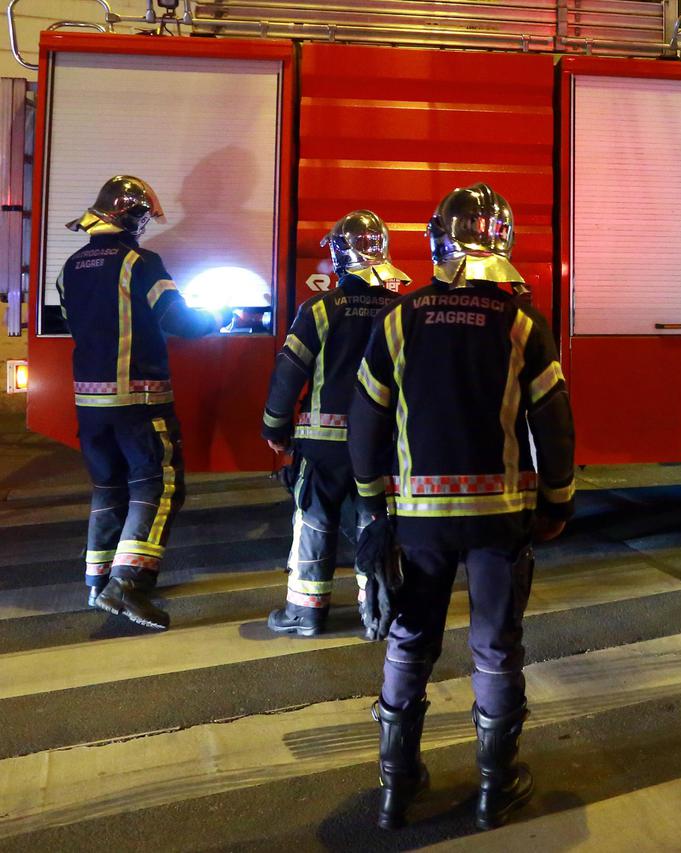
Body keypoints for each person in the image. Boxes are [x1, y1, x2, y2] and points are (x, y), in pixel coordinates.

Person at [348, 183, 575, 831]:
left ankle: (396, 787)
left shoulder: (402, 316)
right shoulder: (520, 321)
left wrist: (372, 505)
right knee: (496, 647)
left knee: (408, 638)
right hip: (498, 519)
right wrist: (557, 502)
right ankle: (493, 788)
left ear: (436, 240)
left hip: (416, 520)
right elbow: (554, 422)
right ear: (502, 241)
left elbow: (366, 418)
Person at [58, 175, 224, 630]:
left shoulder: (70, 266)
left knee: (108, 488)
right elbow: (181, 321)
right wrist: (220, 317)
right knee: (160, 486)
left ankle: (98, 580)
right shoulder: (141, 263)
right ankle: (127, 584)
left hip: (89, 404)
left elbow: (78, 327)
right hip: (138, 399)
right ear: (132, 218)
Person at [260, 210, 407, 636]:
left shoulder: (320, 309)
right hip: (380, 444)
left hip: (322, 447)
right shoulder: (400, 312)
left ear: (341, 259)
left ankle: (305, 613)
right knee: (374, 519)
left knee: (314, 521)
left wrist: (275, 429)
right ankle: (375, 608)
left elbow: (289, 371)